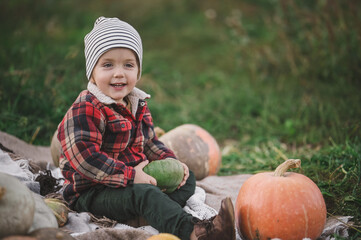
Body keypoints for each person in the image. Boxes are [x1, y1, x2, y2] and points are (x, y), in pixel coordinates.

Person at [57, 16, 235, 240]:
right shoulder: (86, 108)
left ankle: (147, 213)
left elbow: (150, 142)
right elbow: (85, 159)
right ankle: (196, 231)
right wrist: (131, 177)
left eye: (128, 65)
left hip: (132, 181)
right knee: (146, 194)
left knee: (186, 180)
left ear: (138, 72)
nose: (119, 73)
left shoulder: (136, 103)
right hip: (92, 191)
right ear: (91, 72)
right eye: (108, 64)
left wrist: (173, 163)